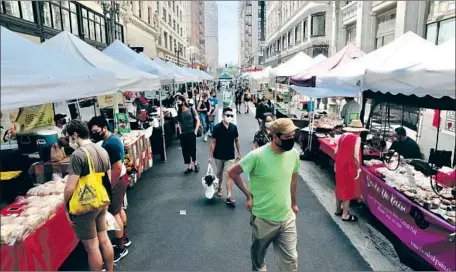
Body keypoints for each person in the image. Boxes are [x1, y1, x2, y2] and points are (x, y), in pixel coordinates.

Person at [228, 118, 300, 271]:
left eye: (293, 136)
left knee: (291, 261)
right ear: (274, 136)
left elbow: (293, 180)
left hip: (287, 217)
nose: (291, 140)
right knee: (258, 260)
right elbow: (233, 172)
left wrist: (294, 203)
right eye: (287, 137)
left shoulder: (293, 154)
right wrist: (248, 196)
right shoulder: (257, 156)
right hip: (263, 218)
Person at [63, 120, 114, 272]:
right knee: (104, 239)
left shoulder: (78, 155)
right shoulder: (102, 150)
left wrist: (66, 207)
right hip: (102, 200)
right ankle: (110, 270)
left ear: (75, 135)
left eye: (69, 137)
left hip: (85, 205)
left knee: (92, 247)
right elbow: (108, 180)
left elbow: (70, 187)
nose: (69, 140)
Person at [88, 116, 130, 262]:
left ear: (104, 128)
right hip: (120, 178)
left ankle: (121, 247)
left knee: (115, 212)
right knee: (119, 209)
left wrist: (109, 186)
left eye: (95, 131)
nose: (93, 134)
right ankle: (124, 238)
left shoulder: (110, 144)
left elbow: (116, 167)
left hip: (117, 180)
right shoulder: (110, 139)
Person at [208, 107, 242, 204]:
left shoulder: (234, 128)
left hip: (230, 156)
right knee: (219, 174)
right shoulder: (217, 128)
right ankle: (219, 187)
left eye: (231, 115)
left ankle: (229, 196)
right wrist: (210, 156)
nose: (229, 117)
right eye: (227, 115)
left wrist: (239, 153)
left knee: (228, 175)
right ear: (223, 116)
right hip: (218, 155)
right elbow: (213, 143)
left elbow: (237, 140)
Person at [334, 120, 365, 222]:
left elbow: (336, 151)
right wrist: (358, 168)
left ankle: (338, 210)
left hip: (339, 164)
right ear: (359, 131)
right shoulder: (357, 138)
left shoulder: (342, 136)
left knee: (339, 187)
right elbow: (355, 156)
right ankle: (345, 214)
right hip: (348, 166)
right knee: (347, 189)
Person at [177, 95, 200, 174]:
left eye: (179, 102)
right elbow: (179, 122)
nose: (178, 103)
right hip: (184, 133)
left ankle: (195, 164)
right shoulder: (179, 112)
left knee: (192, 149)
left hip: (191, 132)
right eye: (177, 102)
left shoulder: (191, 109)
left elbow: (198, 120)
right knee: (185, 151)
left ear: (183, 102)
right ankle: (189, 167)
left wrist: (196, 131)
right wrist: (180, 132)